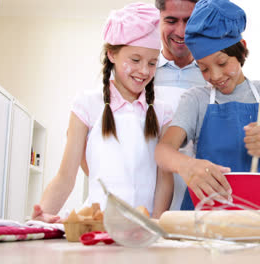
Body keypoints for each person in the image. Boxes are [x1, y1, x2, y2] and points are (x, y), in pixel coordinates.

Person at [154, 0, 260, 210]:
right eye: (204, 68)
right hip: (202, 219)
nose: (215, 76)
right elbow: (163, 151)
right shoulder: (195, 99)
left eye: (222, 63)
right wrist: (186, 165)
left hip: (255, 217)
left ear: (242, 49)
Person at [31, 3, 174, 222]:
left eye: (152, 63)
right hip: (97, 223)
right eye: (135, 60)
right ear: (112, 54)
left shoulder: (163, 112)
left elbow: (164, 179)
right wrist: (40, 219)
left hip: (143, 227)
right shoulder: (87, 105)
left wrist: (157, 224)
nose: (144, 71)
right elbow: (65, 177)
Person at [153, 0, 207, 210]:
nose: (182, 31)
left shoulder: (215, 74)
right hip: (146, 201)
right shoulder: (140, 73)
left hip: (198, 202)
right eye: (171, 20)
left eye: (189, 21)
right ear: (158, 20)